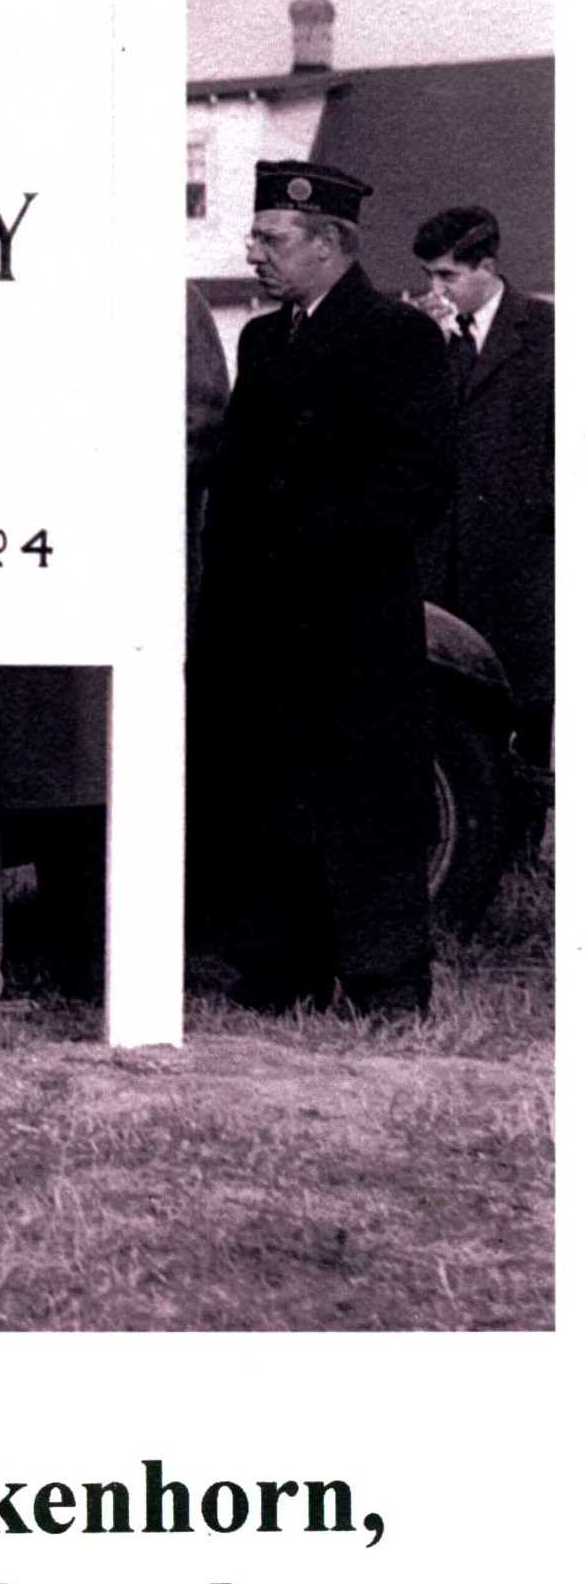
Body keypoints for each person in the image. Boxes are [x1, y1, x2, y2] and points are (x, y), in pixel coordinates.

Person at [191, 161, 456, 1017]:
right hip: (263, 621)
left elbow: (417, 483)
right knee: (274, 796)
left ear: (328, 244)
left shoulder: (400, 338)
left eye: (271, 239)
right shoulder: (263, 341)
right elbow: (235, 481)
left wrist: (306, 544)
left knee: (368, 804)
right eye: (254, 237)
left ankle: (383, 986)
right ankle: (281, 973)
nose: (253, 253)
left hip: (351, 622)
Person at [410, 205, 553, 762]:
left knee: (528, 718)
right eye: (428, 275)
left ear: (487, 267)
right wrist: (427, 347)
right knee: (453, 723)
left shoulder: (546, 333)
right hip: (440, 567)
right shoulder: (427, 338)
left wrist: (537, 513)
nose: (435, 288)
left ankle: (530, 849)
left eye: (448, 275)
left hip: (520, 567)